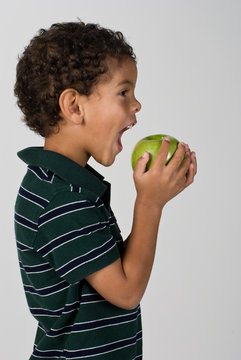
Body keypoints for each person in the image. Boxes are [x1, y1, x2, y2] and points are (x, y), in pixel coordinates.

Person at [14, 21, 197, 360]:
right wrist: (150, 204)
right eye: (124, 92)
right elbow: (126, 291)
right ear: (74, 107)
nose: (137, 105)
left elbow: (112, 269)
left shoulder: (64, 185)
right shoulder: (61, 199)